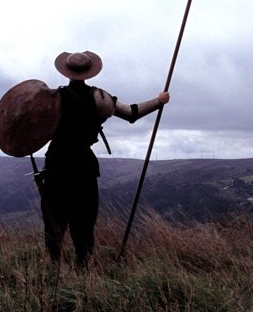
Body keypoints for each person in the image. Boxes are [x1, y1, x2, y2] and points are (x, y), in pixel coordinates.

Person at [41, 50, 170, 267]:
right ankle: (83, 269)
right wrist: (159, 100)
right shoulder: (101, 98)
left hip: (57, 163)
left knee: (54, 221)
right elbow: (131, 113)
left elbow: (30, 125)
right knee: (83, 222)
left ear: (67, 73)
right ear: (89, 73)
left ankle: (54, 269)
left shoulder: (53, 98)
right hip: (84, 165)